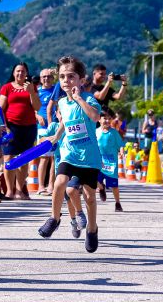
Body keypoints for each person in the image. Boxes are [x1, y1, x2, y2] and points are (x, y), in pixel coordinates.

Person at [40, 56, 102, 253]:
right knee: (59, 183)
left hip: (89, 157)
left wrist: (79, 99)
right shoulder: (61, 103)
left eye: (71, 76)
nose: (66, 80)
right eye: (62, 77)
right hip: (69, 153)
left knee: (90, 197)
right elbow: (65, 124)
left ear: (81, 80)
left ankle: (92, 229)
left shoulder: (88, 99)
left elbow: (95, 117)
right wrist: (55, 137)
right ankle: (54, 218)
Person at [0, 62, 41, 200]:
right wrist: (5, 126)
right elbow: (0, 108)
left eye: (23, 71)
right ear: (13, 72)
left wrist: (31, 92)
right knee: (8, 157)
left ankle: (19, 190)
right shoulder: (7, 87)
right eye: (17, 71)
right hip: (11, 126)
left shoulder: (31, 87)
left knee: (24, 159)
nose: (20, 74)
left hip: (29, 127)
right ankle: (9, 191)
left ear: (27, 73)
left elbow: (37, 106)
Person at [96, 110, 124, 212]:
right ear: (99, 119)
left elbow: (120, 144)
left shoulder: (114, 133)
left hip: (111, 163)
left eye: (109, 119)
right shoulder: (96, 132)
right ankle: (101, 188)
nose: (107, 121)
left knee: (114, 186)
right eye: (105, 118)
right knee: (95, 180)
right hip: (98, 162)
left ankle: (118, 203)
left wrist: (121, 152)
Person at [36, 68, 56, 195]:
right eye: (44, 77)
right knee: (43, 157)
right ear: (40, 78)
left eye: (49, 76)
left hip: (55, 127)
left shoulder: (56, 90)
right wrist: (37, 116)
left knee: (54, 158)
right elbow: (31, 107)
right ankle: (40, 186)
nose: (46, 79)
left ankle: (51, 186)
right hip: (42, 129)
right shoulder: (37, 92)